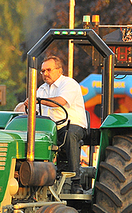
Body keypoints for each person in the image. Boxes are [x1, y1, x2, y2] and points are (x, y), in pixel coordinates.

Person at [22, 55, 87, 193]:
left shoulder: (69, 84)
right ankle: (35, 177)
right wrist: (24, 106)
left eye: (48, 70)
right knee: (30, 138)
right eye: (42, 71)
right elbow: (31, 107)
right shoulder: (42, 89)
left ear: (59, 70)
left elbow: (60, 102)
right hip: (49, 129)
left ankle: (76, 182)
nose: (45, 74)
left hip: (71, 125)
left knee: (69, 135)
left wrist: (37, 100)